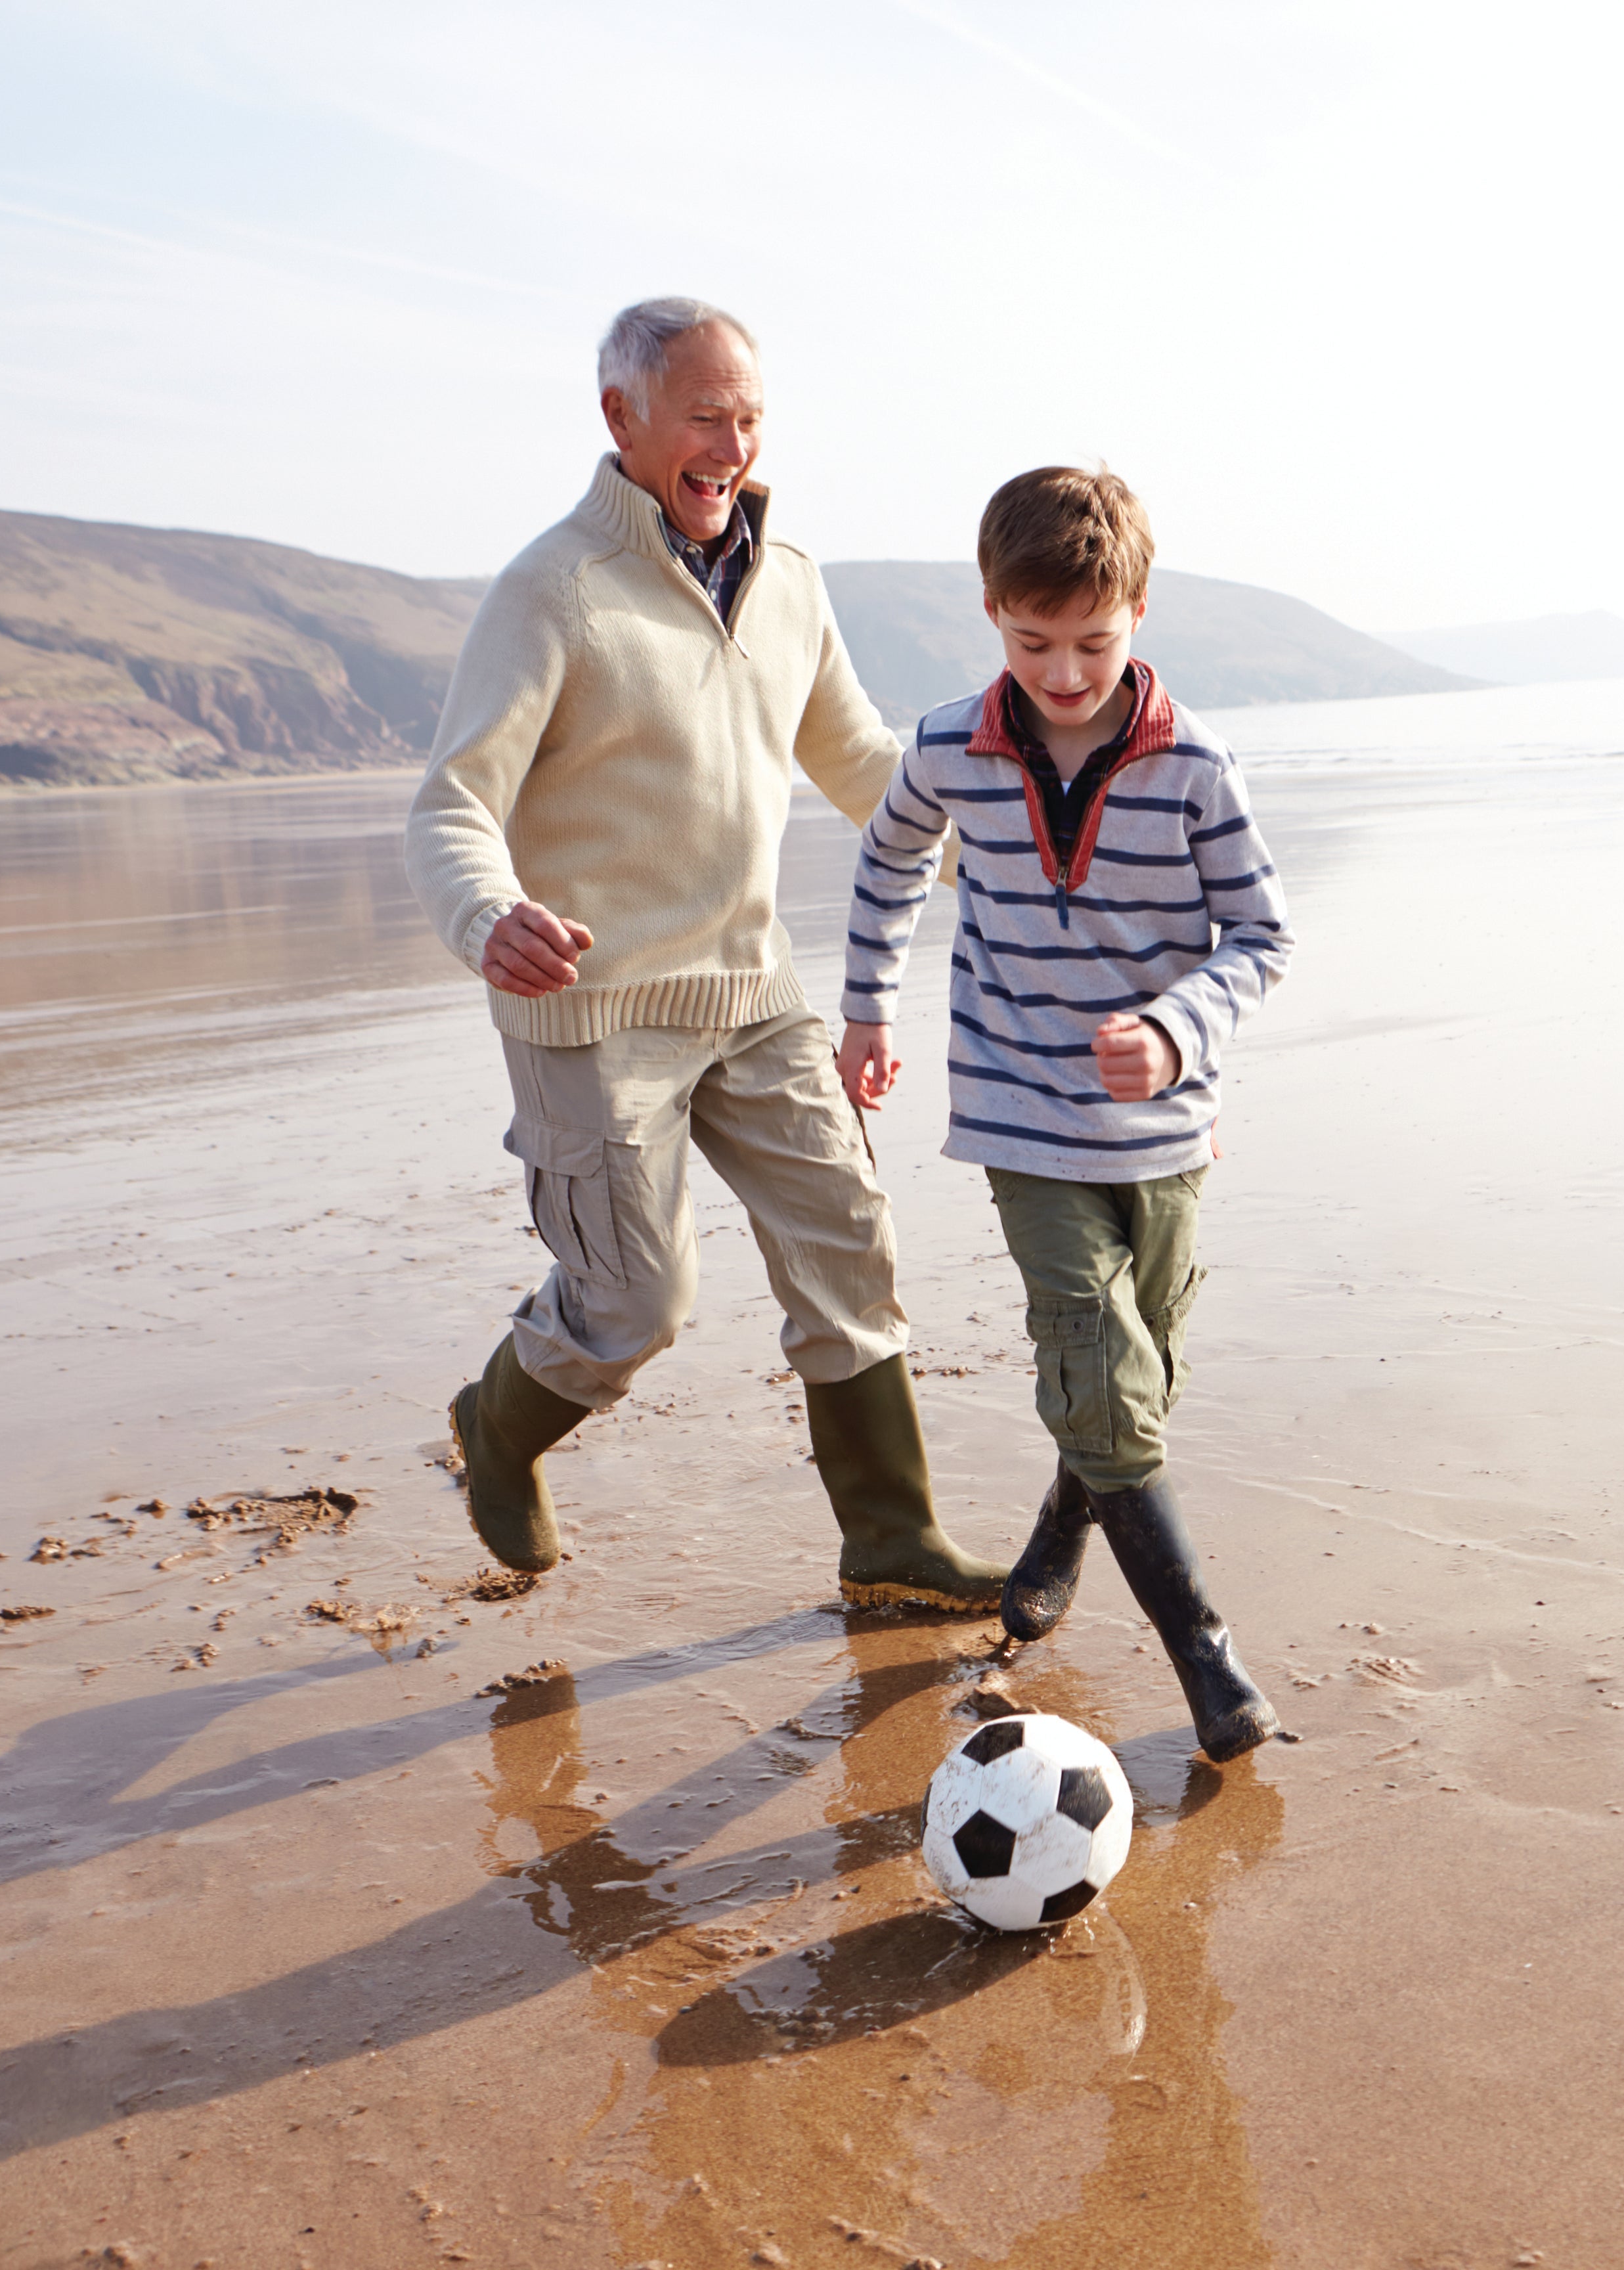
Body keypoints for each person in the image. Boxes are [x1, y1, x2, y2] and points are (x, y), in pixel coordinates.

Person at [403, 297, 1006, 1611]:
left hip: (752, 988)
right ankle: (498, 1423)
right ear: (623, 419)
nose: (731, 445)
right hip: (592, 1010)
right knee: (635, 1306)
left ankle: (891, 1537)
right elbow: (452, 803)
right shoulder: (553, 589)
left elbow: (857, 761)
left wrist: (1009, 859)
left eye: (748, 417)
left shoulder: (790, 579)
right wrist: (487, 915)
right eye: (704, 417)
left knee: (848, 1239)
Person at [836, 467, 1293, 1760]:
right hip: (1021, 1115)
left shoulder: (1197, 769)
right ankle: (1206, 1657)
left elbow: (1262, 936)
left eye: (1093, 641)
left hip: (1164, 1127)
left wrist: (1171, 1027)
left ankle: (1058, 1526)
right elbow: (886, 862)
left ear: (1138, 612)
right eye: (1034, 643)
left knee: (1139, 1373)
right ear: (991, 614)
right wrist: (868, 1009)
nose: (1066, 670)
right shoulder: (949, 750)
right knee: (1097, 1355)